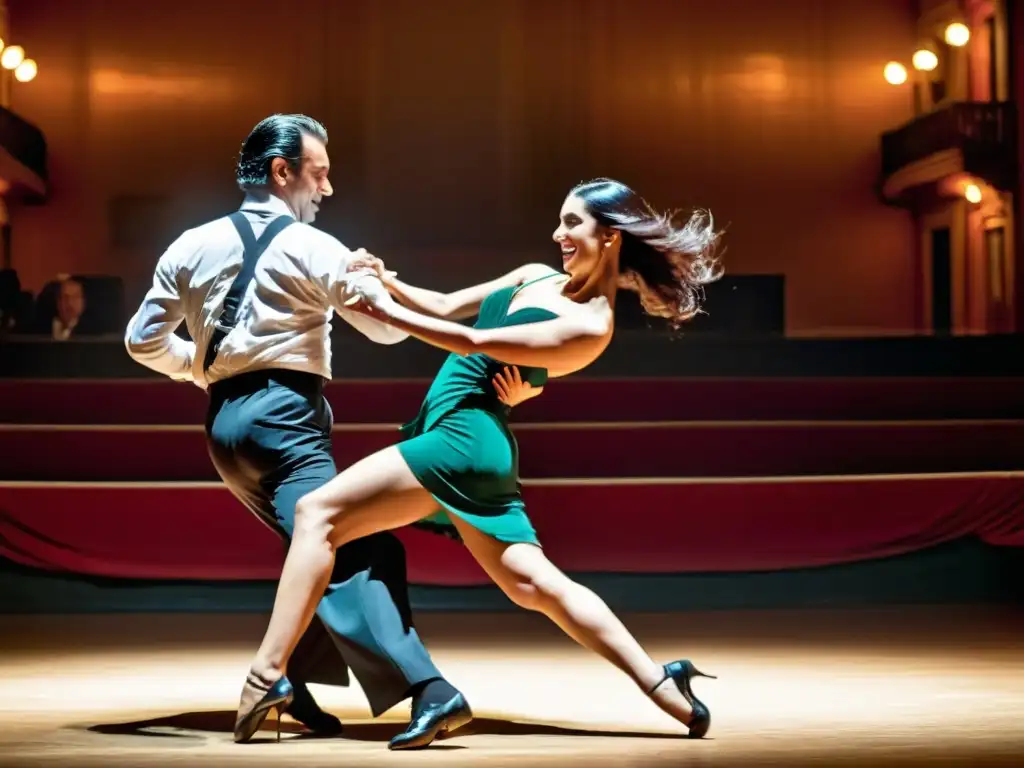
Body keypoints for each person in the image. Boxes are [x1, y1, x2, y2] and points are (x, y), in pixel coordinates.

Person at [238, 177, 725, 741]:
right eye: (559, 220)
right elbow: (446, 305)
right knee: (533, 585)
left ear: (611, 237)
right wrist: (386, 281)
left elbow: (469, 343)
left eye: (573, 223)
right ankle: (666, 687)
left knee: (315, 515)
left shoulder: (590, 327)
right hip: (468, 436)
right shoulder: (534, 275)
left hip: (464, 442)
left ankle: (267, 674)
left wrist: (384, 313)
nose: (558, 233)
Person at [124, 113, 518, 749]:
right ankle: (429, 690)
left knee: (333, 545)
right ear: (283, 173)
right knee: (349, 545)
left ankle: (296, 684)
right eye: (320, 174)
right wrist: (375, 280)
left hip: (225, 431)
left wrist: (201, 373)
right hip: (286, 422)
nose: (328, 190)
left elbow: (141, 341)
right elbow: (389, 332)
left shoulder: (189, 244)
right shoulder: (319, 248)